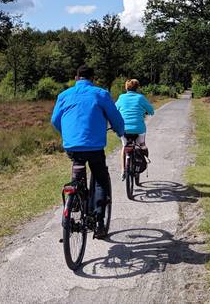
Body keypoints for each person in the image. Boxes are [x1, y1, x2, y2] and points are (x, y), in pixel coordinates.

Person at [51, 64, 124, 238]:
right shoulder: (101, 94)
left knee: (78, 165)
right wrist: (120, 132)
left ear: (76, 78)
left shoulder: (64, 95)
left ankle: (75, 200)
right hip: (95, 147)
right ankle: (99, 221)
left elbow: (55, 120)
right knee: (100, 176)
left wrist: (68, 134)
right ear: (93, 79)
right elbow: (116, 119)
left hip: (72, 146)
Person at [115, 78, 155, 177]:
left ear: (126, 87)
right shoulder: (141, 98)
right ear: (137, 88)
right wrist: (146, 112)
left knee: (124, 146)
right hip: (139, 128)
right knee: (141, 145)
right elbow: (151, 111)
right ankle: (144, 159)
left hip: (123, 129)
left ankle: (123, 170)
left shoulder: (121, 97)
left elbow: (115, 110)